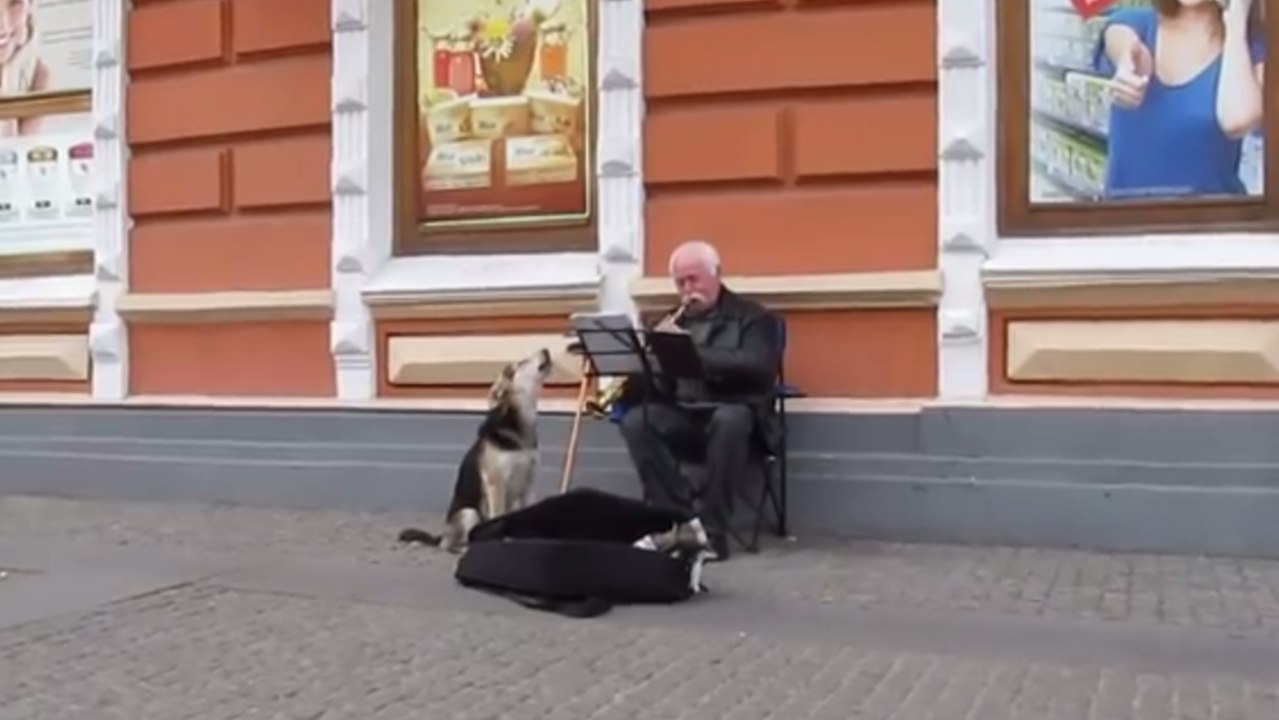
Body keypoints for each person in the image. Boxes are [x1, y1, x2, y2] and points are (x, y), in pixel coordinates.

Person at [616, 240, 781, 562]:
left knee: (730, 420)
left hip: (738, 416)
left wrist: (694, 355)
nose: (687, 289)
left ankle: (712, 531)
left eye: (694, 279)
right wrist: (639, 370)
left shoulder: (754, 318)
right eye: (680, 282)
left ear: (716, 274)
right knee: (638, 420)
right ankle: (676, 521)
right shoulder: (671, 322)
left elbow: (760, 369)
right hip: (686, 416)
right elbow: (659, 386)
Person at [1093, 0, 1265, 200]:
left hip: (1210, 223)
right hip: (1127, 222)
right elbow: (1118, 37)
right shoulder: (1134, 25)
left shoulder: (1251, 50)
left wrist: (1236, 23)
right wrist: (1126, 62)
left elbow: (1237, 120)